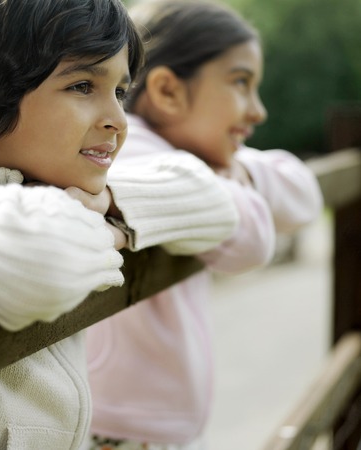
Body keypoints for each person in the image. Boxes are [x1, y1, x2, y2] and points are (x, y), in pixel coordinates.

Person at [0, 0, 242, 448]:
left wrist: (108, 202)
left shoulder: (46, 182)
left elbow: (214, 202)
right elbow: (42, 258)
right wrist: (106, 230)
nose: (119, 121)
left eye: (120, 92)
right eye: (83, 85)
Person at [85, 0, 324, 449]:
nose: (258, 111)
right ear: (169, 91)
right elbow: (250, 241)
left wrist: (239, 174)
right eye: (240, 83)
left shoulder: (196, 162)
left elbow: (304, 194)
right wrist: (221, 183)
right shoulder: (123, 151)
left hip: (142, 423)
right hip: (114, 428)